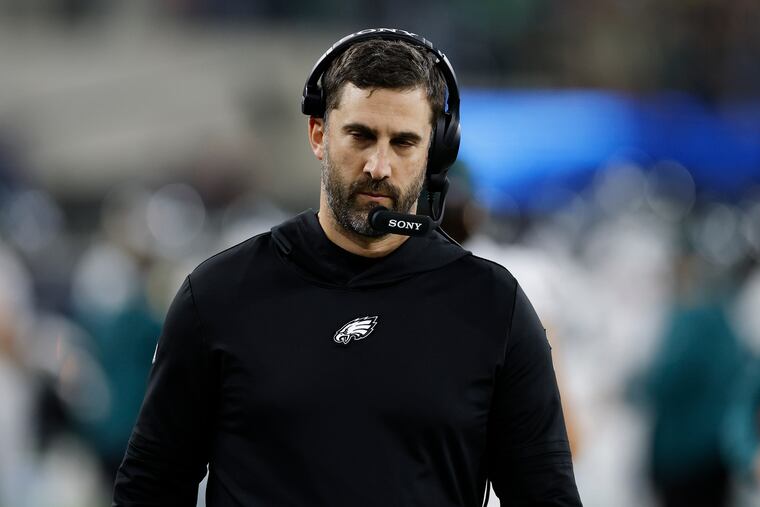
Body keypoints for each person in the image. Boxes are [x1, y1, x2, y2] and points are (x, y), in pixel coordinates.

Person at [112, 28, 582, 507]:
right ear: (318, 134)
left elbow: (547, 497)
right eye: (361, 135)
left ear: (433, 153)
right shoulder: (219, 294)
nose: (379, 165)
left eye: (404, 143)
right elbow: (149, 490)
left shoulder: (493, 306)